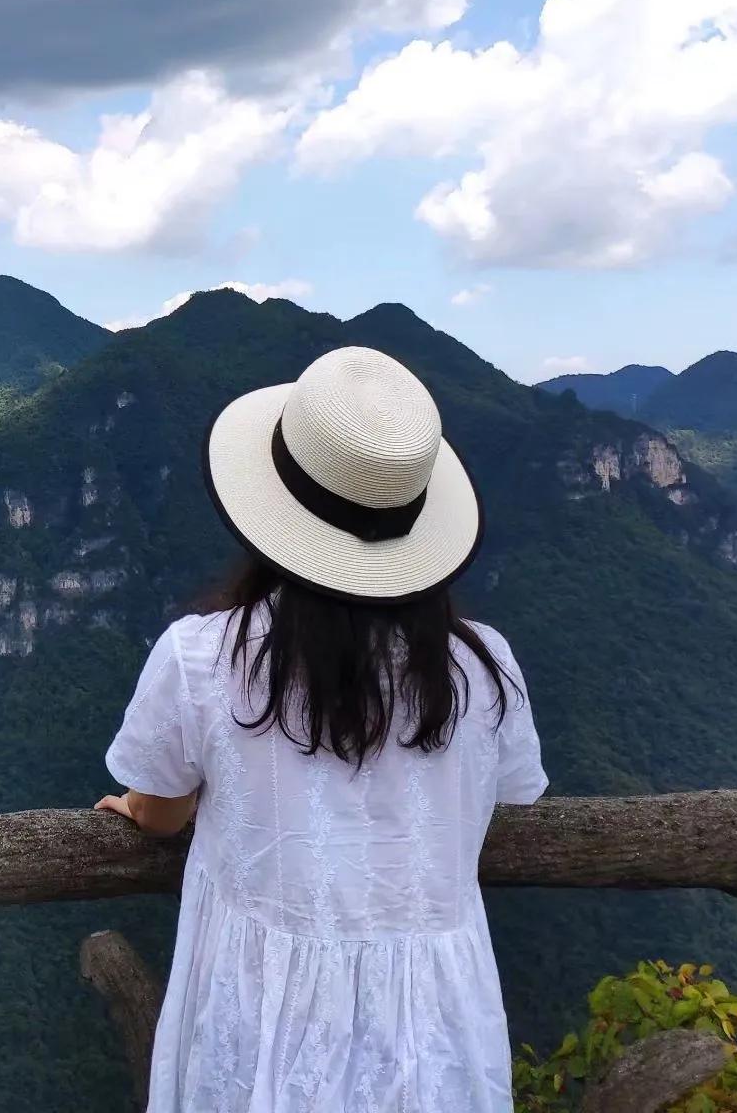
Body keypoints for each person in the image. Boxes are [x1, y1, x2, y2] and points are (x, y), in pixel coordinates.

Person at [97, 345, 545, 1113]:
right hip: (435, 1014)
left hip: (262, 1011)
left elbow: (162, 808)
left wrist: (136, 810)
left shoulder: (204, 657)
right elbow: (510, 795)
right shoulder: (481, 667)